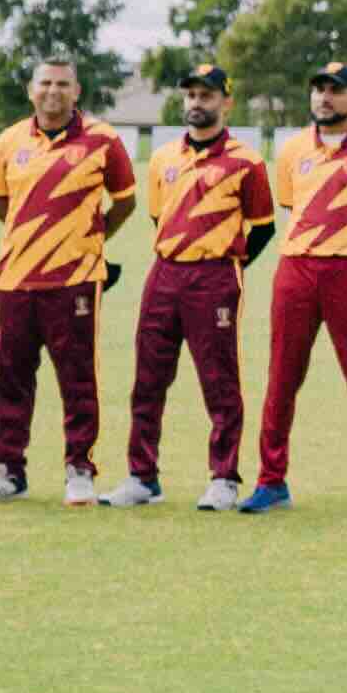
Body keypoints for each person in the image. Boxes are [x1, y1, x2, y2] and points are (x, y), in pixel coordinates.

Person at [0, 55, 134, 506]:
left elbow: (123, 202)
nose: (53, 91)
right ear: (31, 90)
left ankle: (79, 469)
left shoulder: (103, 141)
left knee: (77, 377)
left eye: (63, 84)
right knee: (11, 376)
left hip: (75, 280)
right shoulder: (8, 142)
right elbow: (1, 204)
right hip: (16, 279)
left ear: (76, 92)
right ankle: (7, 470)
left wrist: (88, 237)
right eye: (45, 83)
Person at [249, 59, 347, 515]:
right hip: (296, 270)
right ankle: (271, 480)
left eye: (336, 90)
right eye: (319, 89)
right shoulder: (293, 148)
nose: (325, 97)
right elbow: (289, 209)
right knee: (282, 375)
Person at [118, 61, 273, 509]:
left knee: (219, 380)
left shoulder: (246, 161)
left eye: (206, 96)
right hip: (164, 272)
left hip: (214, 277)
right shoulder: (165, 158)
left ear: (227, 102)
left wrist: (226, 262)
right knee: (147, 378)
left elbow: (262, 227)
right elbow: (158, 216)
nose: (196, 104)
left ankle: (224, 477)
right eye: (191, 96)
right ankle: (142, 476)